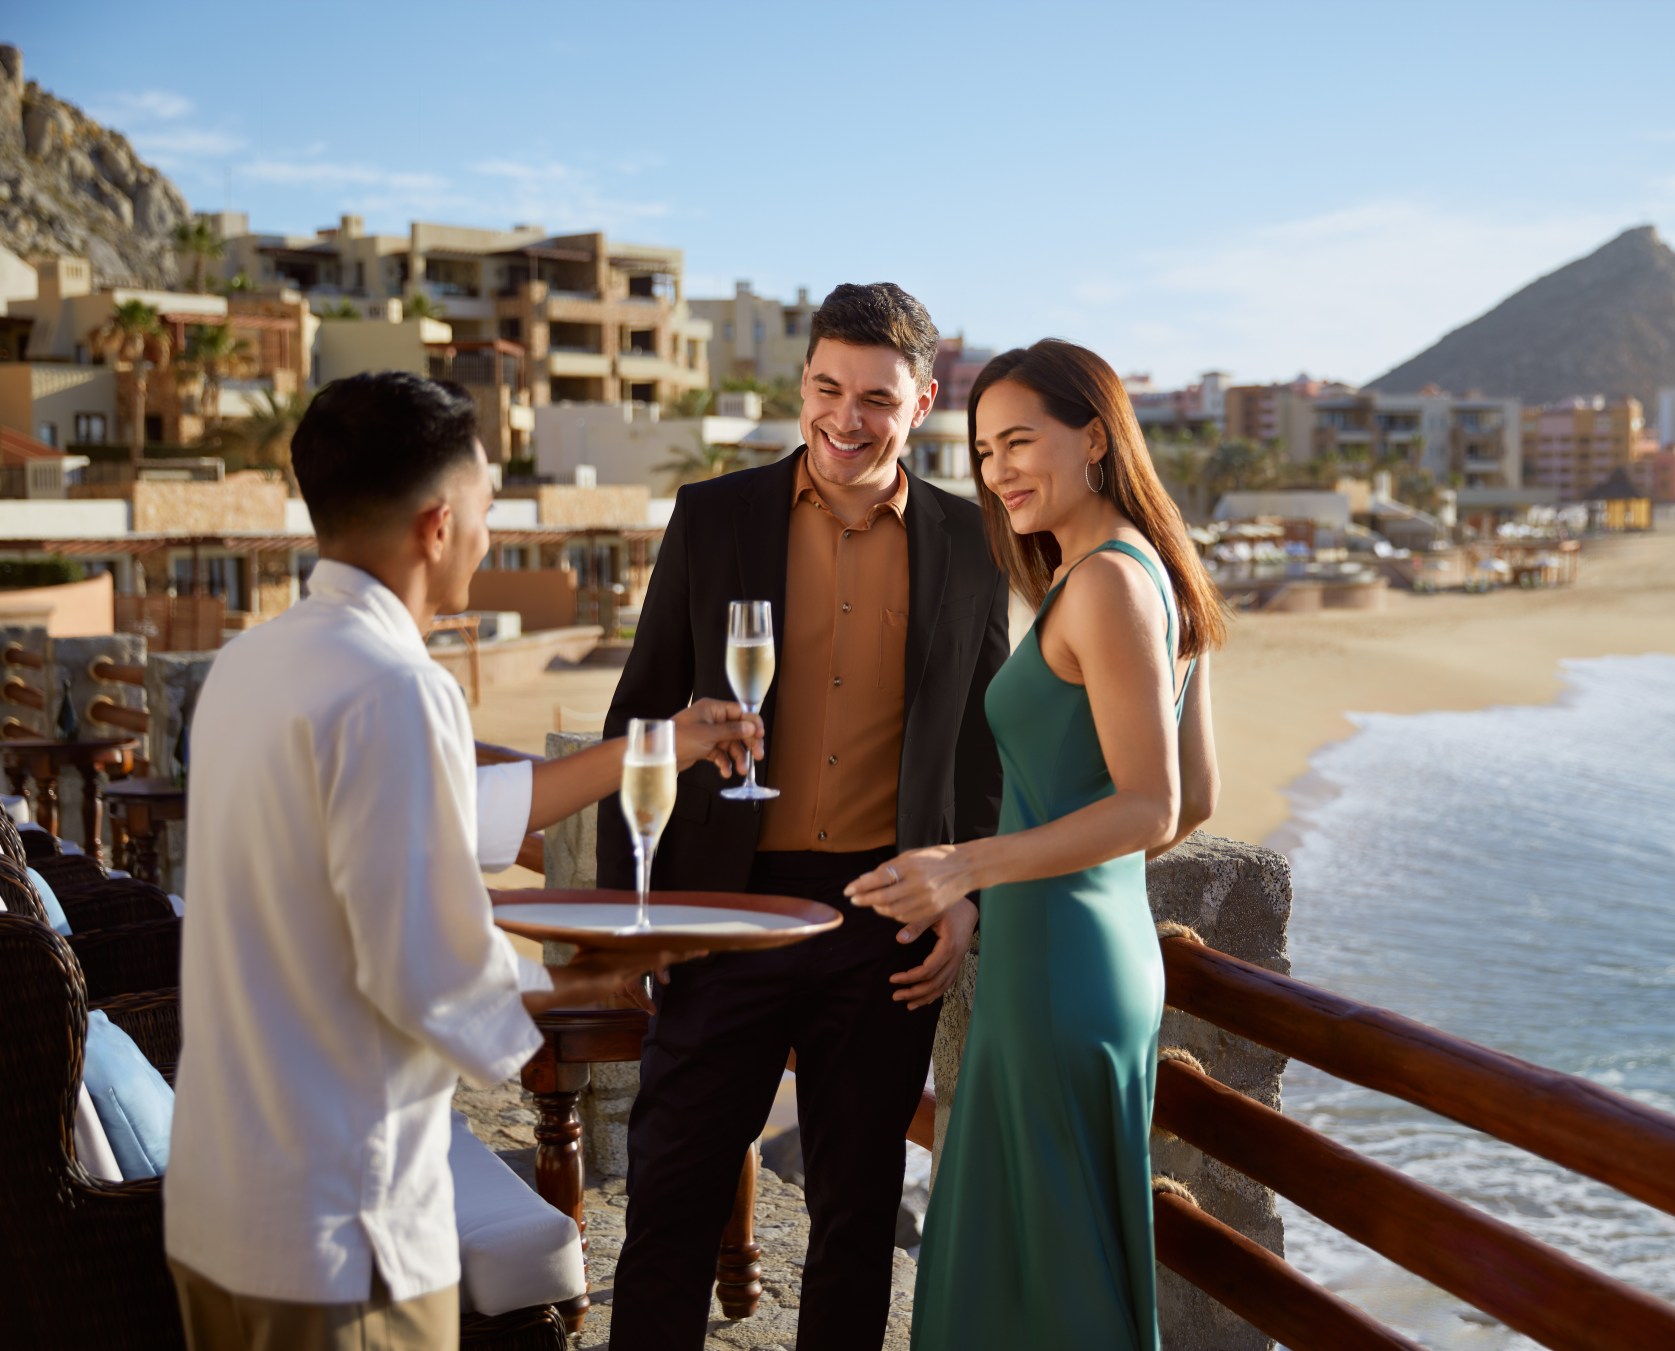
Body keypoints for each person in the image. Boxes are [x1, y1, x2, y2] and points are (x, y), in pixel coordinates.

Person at [164, 372, 755, 1351]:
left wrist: (658, 746)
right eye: (487, 508)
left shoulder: (251, 664)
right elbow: (428, 973)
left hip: (223, 1208)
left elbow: (436, 818)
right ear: (438, 526)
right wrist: (592, 980)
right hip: (341, 1236)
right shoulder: (397, 687)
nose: (488, 532)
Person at [597, 282, 1009, 1351]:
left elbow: (981, 748)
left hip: (883, 917)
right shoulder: (714, 516)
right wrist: (633, 910)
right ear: (803, 384)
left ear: (922, 401)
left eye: (877, 396)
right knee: (673, 1194)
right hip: (722, 906)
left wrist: (968, 897)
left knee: (858, 1214)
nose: (846, 416)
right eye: (828, 386)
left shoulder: (973, 544)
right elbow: (639, 710)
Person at [846, 339, 1225, 1350]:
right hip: (1097, 955)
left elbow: (1154, 804)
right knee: (1056, 1255)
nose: (999, 468)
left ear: (1094, 436)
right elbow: (1196, 800)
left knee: (1039, 1270)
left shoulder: (1103, 583)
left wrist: (971, 866)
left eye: (1021, 440)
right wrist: (1067, 882)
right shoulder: (1155, 570)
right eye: (982, 451)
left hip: (1057, 970)